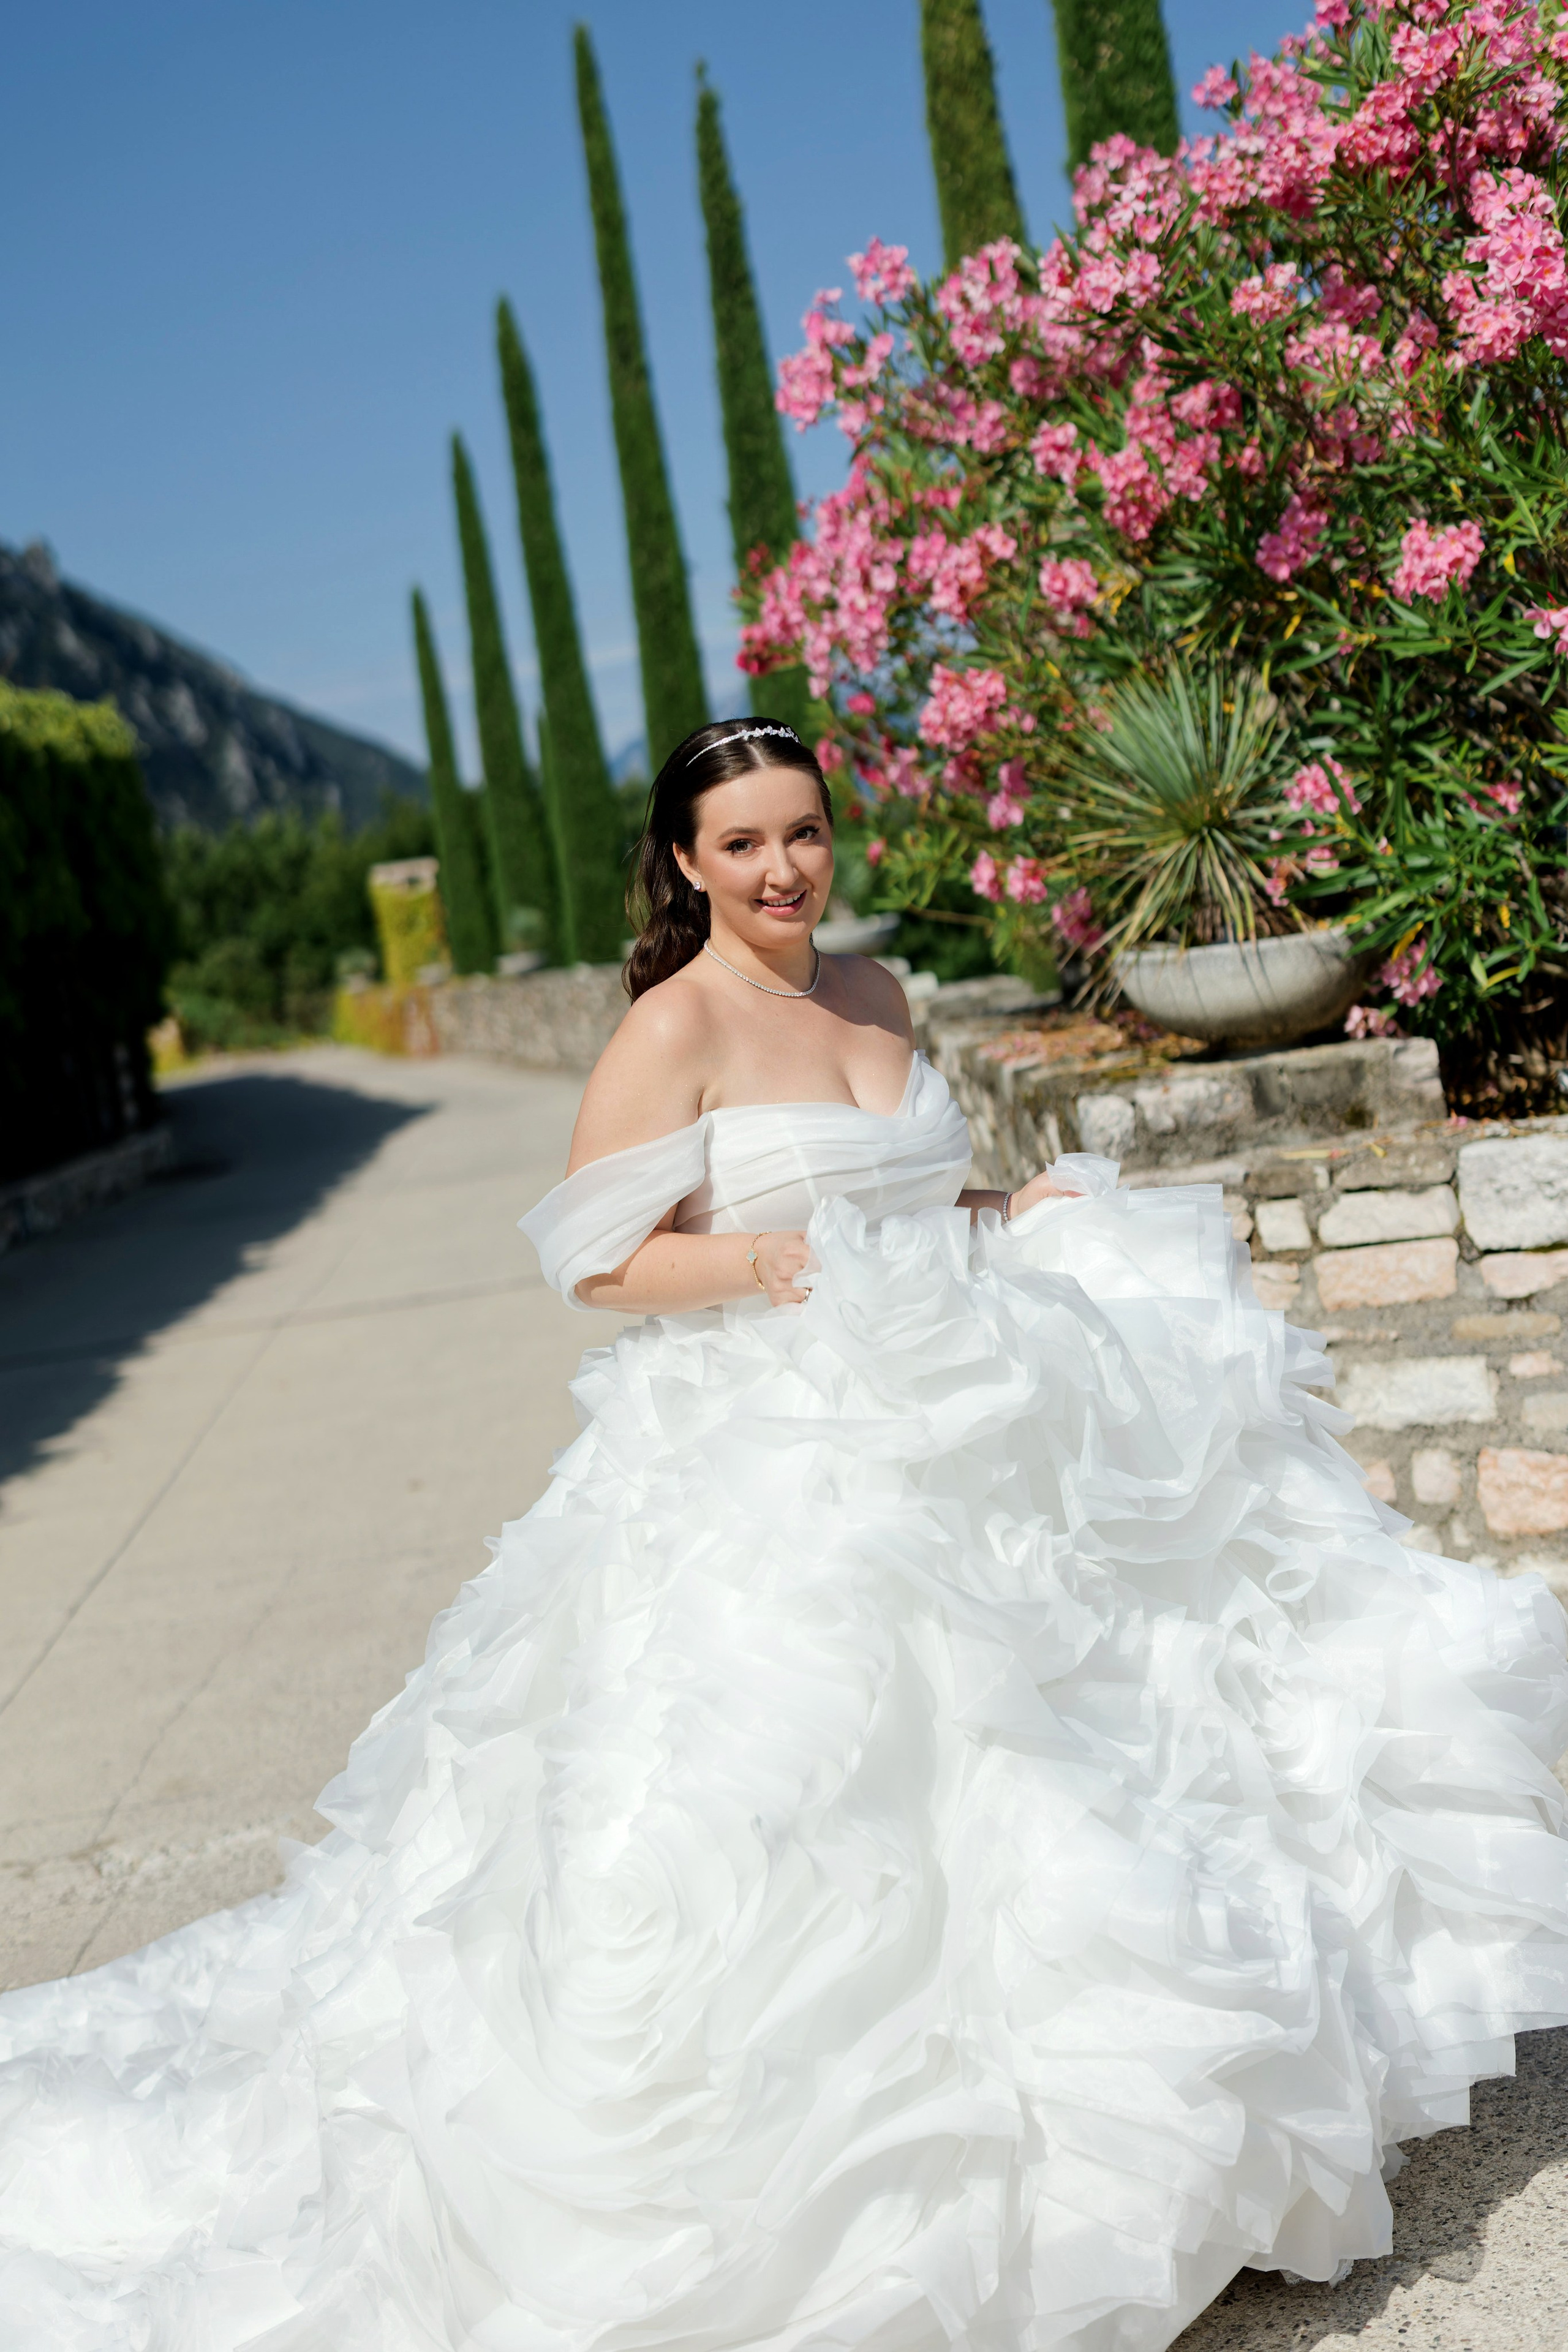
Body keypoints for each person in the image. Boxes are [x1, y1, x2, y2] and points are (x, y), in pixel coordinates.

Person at [0, 716, 1566, 2352]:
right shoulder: (671, 1027)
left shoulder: (874, 996)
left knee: (1091, 1742)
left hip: (963, 1403)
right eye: (740, 843)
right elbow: (599, 1262)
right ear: (685, 861)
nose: (780, 869)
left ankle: (1173, 2110)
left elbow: (904, 1196)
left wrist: (999, 1215)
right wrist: (762, 1269)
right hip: (781, 1445)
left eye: (803, 832)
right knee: (827, 1794)